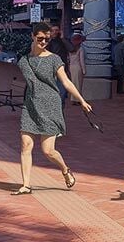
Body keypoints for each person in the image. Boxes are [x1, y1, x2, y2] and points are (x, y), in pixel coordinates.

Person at [14, 23, 92, 195]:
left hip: (50, 105)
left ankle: (65, 169)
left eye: (46, 39)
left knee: (48, 151)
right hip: (31, 105)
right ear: (32, 37)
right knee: (26, 144)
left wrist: (81, 100)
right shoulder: (24, 60)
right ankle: (26, 185)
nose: (43, 42)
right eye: (40, 38)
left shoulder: (55, 59)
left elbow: (65, 82)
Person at [47, 24, 71, 106]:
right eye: (52, 31)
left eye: (56, 30)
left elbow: (71, 49)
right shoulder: (47, 42)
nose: (55, 32)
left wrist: (63, 38)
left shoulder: (63, 41)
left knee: (62, 94)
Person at [67, 34, 86, 104]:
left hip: (71, 67)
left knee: (73, 83)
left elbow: (68, 59)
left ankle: (73, 98)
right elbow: (82, 60)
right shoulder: (80, 49)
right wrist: (84, 70)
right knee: (79, 84)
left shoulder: (70, 49)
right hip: (78, 67)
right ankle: (78, 99)